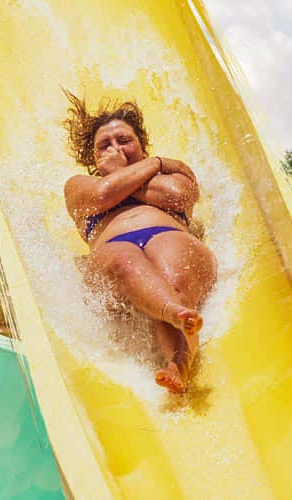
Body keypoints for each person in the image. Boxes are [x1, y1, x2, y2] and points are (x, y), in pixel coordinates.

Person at [60, 92, 214, 394]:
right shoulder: (79, 184)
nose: (115, 148)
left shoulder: (175, 178)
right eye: (104, 145)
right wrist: (152, 165)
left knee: (173, 273)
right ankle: (173, 311)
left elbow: (177, 197)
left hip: (169, 237)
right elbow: (102, 196)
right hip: (114, 250)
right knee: (123, 260)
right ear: (93, 157)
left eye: (124, 140)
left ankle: (179, 362)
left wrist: (125, 175)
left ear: (141, 145)